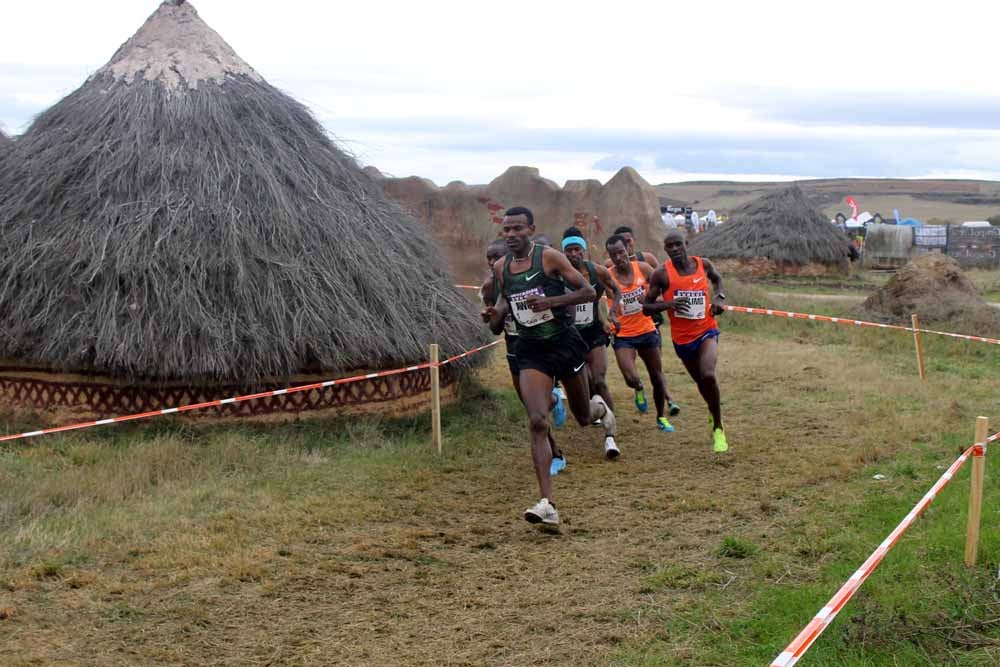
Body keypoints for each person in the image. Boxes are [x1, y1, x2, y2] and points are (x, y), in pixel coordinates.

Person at [483, 207, 618, 526]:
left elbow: (586, 291)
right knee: (537, 420)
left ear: (530, 229)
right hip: (531, 351)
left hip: (563, 343)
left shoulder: (550, 258)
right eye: (507, 230)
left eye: (518, 229)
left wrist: (551, 303)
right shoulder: (502, 268)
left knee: (584, 417)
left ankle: (600, 409)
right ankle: (547, 503)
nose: (512, 234)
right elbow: (505, 303)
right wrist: (495, 315)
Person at [480, 238, 567, 475]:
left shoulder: (529, 275)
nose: (491, 262)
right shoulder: (490, 286)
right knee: (532, 410)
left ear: (508, 256)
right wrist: (493, 315)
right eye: (488, 257)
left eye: (495, 257)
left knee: (536, 412)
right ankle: (555, 412)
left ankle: (555, 454)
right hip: (515, 351)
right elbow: (495, 329)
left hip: (541, 346)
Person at [643, 229, 729, 453]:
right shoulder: (661, 274)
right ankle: (712, 411)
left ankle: (718, 428)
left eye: (677, 245)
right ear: (665, 249)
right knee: (701, 382)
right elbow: (646, 307)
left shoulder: (704, 264)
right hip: (682, 340)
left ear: (686, 244)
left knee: (708, 374)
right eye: (669, 246)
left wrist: (719, 298)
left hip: (707, 330)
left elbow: (718, 280)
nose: (674, 249)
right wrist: (669, 305)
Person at [605, 234, 677, 433]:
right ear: (609, 257)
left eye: (621, 252)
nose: (619, 258)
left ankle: (661, 417)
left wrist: (655, 299)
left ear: (627, 249)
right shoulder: (607, 275)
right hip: (623, 334)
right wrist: (608, 318)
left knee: (657, 376)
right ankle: (638, 388)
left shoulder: (643, 269)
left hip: (646, 330)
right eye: (613, 255)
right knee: (630, 377)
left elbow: (662, 285)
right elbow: (594, 297)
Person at [560, 227, 620, 418]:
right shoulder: (558, 276)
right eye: (569, 250)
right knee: (587, 382)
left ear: (583, 249)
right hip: (571, 336)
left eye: (577, 249)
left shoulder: (597, 271)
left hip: (594, 332)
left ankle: (611, 422)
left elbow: (616, 291)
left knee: (600, 381)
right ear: (564, 252)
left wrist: (612, 313)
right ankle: (595, 409)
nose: (573, 254)